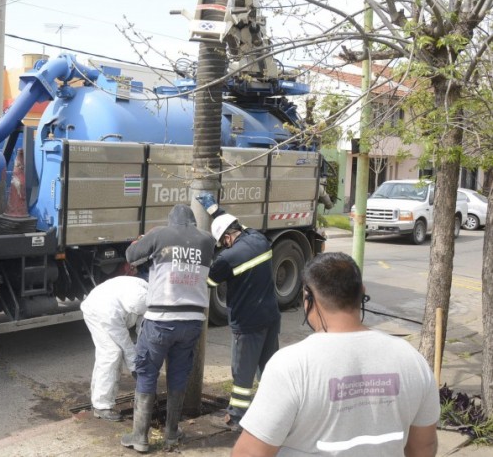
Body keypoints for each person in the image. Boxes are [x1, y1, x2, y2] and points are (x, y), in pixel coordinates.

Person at [232, 252, 440, 457]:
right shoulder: (412, 360)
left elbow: (250, 453)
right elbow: (424, 447)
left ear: (308, 298)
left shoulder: (291, 366)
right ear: (362, 293)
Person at [121, 204, 216, 453]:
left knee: (147, 374)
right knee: (178, 374)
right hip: (192, 321)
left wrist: (143, 240)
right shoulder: (207, 240)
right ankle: (172, 434)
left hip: (160, 320)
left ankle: (140, 438)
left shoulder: (159, 234)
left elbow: (131, 256)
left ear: (170, 220)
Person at [197, 192, 281, 431]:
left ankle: (236, 417)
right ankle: (275, 410)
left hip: (247, 323)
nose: (223, 245)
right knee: (269, 367)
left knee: (242, 373)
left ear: (226, 239)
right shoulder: (258, 238)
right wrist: (214, 209)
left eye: (222, 241)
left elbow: (209, 283)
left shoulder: (228, 258)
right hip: (270, 316)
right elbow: (236, 225)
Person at [80, 275, 149, 421]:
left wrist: (144, 354)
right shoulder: (111, 313)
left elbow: (144, 328)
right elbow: (125, 343)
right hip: (96, 310)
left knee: (111, 353)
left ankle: (98, 396)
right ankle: (101, 406)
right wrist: (135, 367)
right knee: (111, 353)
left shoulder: (146, 292)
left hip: (113, 303)